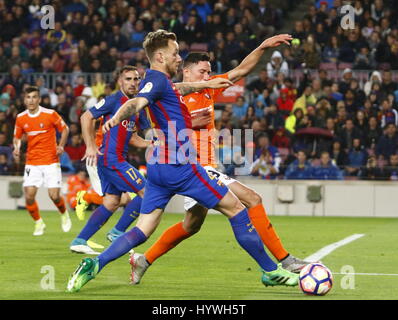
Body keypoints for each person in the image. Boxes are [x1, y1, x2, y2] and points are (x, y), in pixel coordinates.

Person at [67, 30, 299, 293]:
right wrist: (117, 116)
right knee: (237, 208)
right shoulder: (155, 82)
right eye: (175, 53)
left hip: (158, 168)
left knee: (145, 228)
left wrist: (205, 85)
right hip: (182, 166)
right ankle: (271, 270)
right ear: (160, 55)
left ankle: (95, 264)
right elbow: (137, 103)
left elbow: (177, 88)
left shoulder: (160, 81)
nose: (179, 57)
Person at [68, 66, 151, 255]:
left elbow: (133, 138)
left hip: (116, 160)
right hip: (111, 160)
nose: (133, 83)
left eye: (136, 79)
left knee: (112, 202)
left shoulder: (137, 107)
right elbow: (86, 117)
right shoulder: (114, 100)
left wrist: (152, 143)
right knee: (147, 191)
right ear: (120, 82)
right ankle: (117, 232)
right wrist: (90, 146)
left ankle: (80, 240)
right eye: (128, 79)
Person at [13, 86, 71, 236]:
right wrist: (17, 148)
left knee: (54, 195)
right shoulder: (21, 118)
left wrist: (61, 145)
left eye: (34, 97)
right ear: (24, 100)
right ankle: (39, 223)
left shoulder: (50, 114)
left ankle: (64, 214)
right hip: (32, 161)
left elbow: (65, 129)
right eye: (28, 97)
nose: (31, 100)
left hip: (51, 160)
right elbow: (17, 137)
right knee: (29, 195)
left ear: (39, 99)